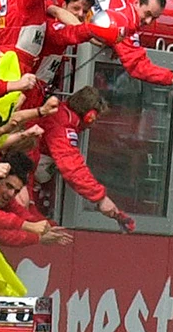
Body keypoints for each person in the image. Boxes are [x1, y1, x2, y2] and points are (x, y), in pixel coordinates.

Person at [24, 86, 135, 232]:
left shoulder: (62, 114)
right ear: (89, 115)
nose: (92, 125)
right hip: (25, 166)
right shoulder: (63, 125)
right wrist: (100, 198)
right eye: (94, 120)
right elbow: (71, 166)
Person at [0, 151, 73, 246]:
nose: (11, 194)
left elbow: (19, 211)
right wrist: (35, 234)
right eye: (9, 186)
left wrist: (49, 227)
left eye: (16, 191)